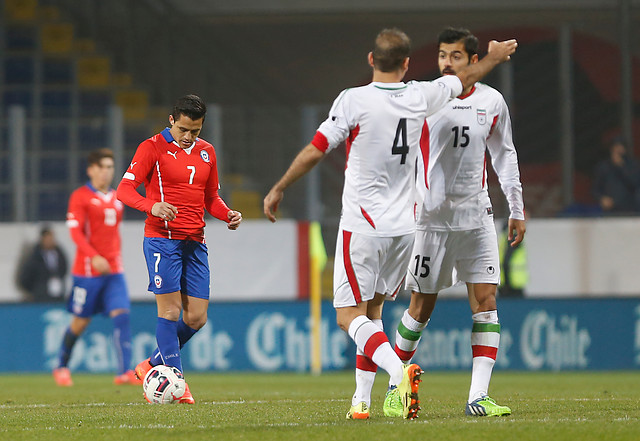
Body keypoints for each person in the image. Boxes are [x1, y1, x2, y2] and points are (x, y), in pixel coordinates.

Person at [263, 28, 517, 420]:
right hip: (408, 229)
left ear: (370, 59)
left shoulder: (354, 100)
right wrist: (494, 58)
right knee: (377, 310)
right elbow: (462, 80)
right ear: (407, 64)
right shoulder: (421, 97)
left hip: (364, 225)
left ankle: (400, 373)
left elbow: (317, 149)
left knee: (350, 315)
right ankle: (361, 401)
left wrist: (279, 186)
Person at [388, 27, 525, 417]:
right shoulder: (427, 99)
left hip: (477, 217)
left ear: (472, 59)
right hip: (431, 222)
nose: (447, 62)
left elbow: (505, 156)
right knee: (420, 308)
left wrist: (516, 207)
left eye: (456, 56)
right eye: (443, 55)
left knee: (486, 301)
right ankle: (395, 385)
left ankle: (477, 397)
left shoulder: (492, 102)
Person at [117, 94, 242, 404]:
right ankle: (178, 382)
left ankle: (150, 364)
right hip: (162, 240)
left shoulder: (207, 152)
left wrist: (227, 213)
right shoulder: (152, 148)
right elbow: (124, 190)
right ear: (171, 120)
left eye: (195, 131)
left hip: (195, 242)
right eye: (183, 129)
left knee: (197, 318)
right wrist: (152, 206)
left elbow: (211, 197)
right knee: (170, 311)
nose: (188, 137)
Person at [53, 148, 140, 387]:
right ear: (91, 170)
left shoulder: (117, 199)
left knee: (122, 315)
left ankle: (124, 372)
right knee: (80, 322)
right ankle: (61, 366)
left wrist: (111, 258)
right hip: (87, 273)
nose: (106, 172)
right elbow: (76, 232)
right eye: (102, 167)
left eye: (110, 167)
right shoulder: (80, 196)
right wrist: (94, 257)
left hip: (114, 271)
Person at [17, 226, 68, 302]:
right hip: (40, 297)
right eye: (48, 238)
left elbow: (64, 269)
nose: (50, 241)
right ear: (42, 239)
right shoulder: (34, 256)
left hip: (57, 296)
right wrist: (37, 290)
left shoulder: (59, 253)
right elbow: (25, 277)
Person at [592, 138, 640, 215]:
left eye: (621, 147)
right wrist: (602, 198)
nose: (618, 150)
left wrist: (620, 166)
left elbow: (635, 184)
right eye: (616, 147)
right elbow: (595, 189)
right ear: (611, 149)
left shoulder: (633, 165)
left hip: (630, 209)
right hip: (611, 209)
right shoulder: (604, 167)